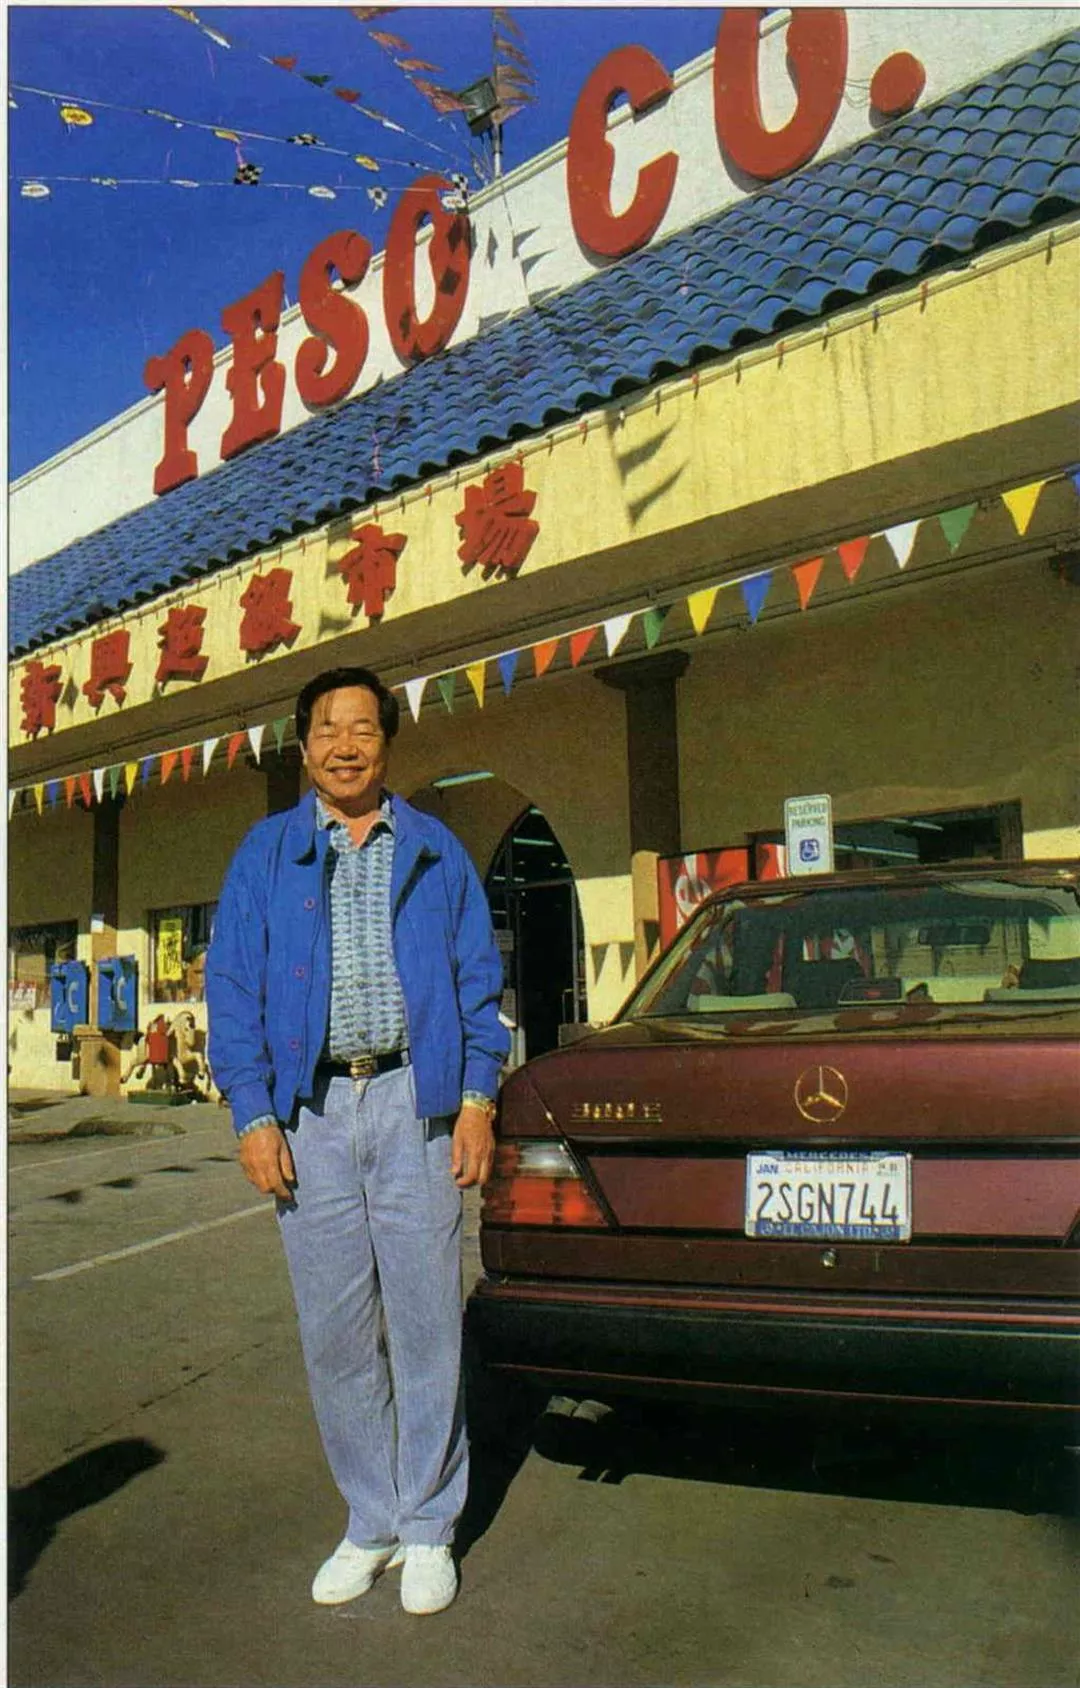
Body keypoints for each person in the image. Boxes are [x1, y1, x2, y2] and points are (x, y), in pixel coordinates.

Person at [206, 665, 509, 1616]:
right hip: (313, 1113)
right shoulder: (265, 854)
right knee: (336, 1332)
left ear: (387, 743)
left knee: (426, 1323)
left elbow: (477, 981)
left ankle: (428, 1525)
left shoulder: (434, 850)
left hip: (416, 1101)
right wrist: (253, 1113)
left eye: (364, 729)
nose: (346, 746)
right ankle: (371, 1519)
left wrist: (477, 1101)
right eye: (329, 730)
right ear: (304, 748)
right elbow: (232, 988)